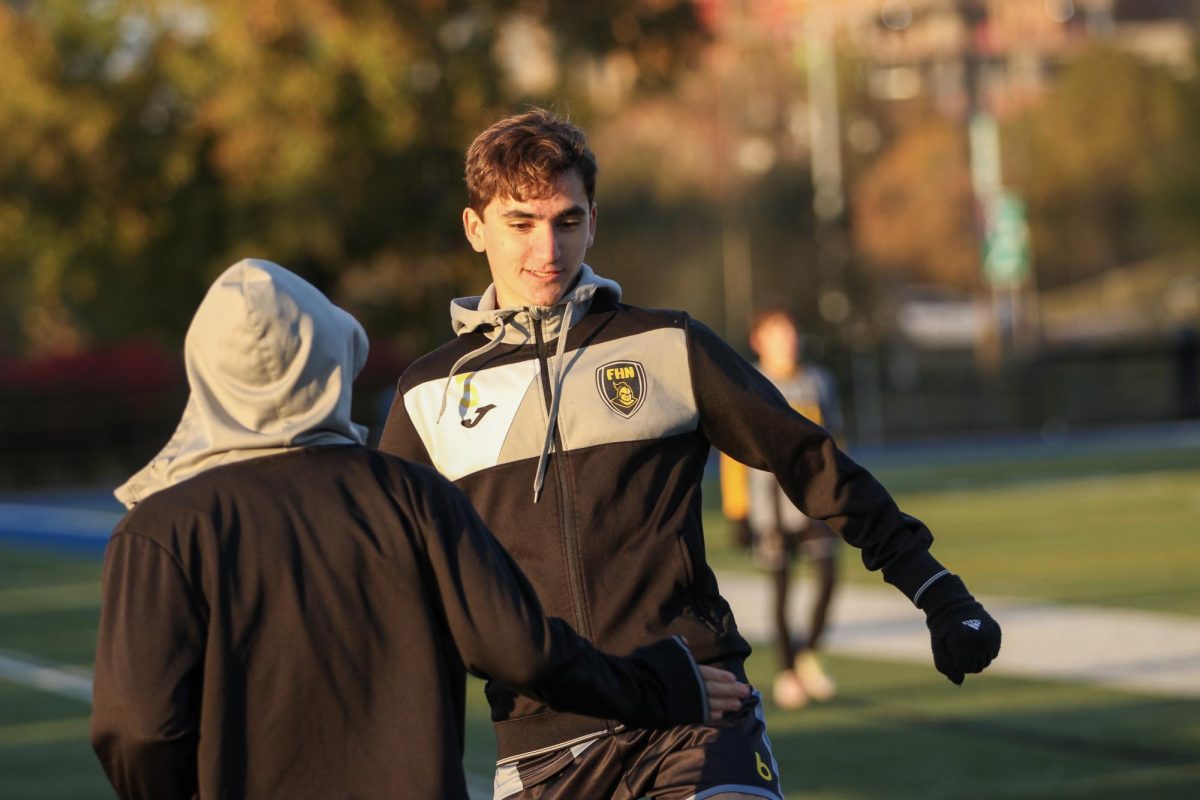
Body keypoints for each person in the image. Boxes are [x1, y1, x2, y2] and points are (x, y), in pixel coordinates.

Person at [379, 108, 1001, 800]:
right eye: (520, 223)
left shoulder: (667, 346)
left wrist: (936, 588)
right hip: (544, 746)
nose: (547, 250)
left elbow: (808, 461)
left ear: (594, 221)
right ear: (476, 228)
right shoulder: (427, 395)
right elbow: (379, 583)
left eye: (567, 221)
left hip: (699, 712)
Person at [90, 259, 747, 800]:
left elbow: (135, 729)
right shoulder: (412, 496)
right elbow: (522, 652)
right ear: (331, 354)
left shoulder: (160, 531)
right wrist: (661, 683)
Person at [720, 308, 842, 710]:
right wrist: (737, 511)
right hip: (769, 507)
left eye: (789, 331)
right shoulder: (748, 383)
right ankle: (788, 671)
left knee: (827, 579)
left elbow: (833, 443)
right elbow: (732, 451)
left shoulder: (817, 381)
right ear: (758, 340)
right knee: (783, 589)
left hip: (813, 504)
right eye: (775, 332)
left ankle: (807, 655)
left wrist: (842, 494)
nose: (785, 340)